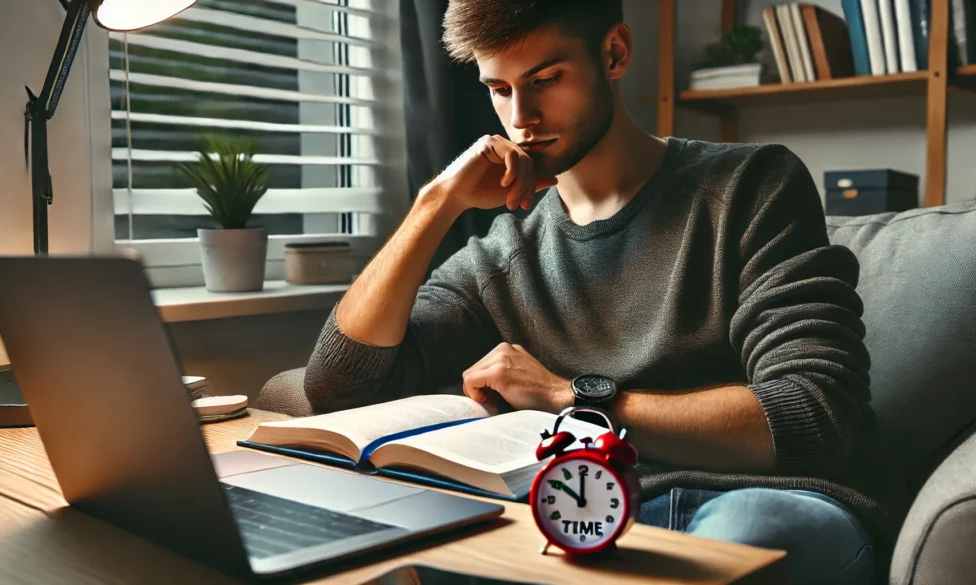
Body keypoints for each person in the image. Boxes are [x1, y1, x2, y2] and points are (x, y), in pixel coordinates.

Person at [303, 1, 906, 583]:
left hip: (745, 503)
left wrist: (570, 399)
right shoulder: (504, 251)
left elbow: (813, 416)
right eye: (499, 88)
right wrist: (437, 203)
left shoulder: (751, 186)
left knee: (752, 527)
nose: (520, 118)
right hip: (571, 515)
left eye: (546, 79)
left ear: (614, 53)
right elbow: (340, 385)